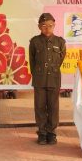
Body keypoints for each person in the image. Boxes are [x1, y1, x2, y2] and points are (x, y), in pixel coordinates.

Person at [29, 13, 66, 145]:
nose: (47, 28)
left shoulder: (60, 42)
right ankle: (42, 133)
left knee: (53, 106)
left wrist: (52, 70)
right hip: (39, 79)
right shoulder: (34, 42)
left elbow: (60, 59)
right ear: (39, 26)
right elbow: (32, 61)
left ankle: (52, 133)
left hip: (54, 78)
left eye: (50, 26)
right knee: (39, 106)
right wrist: (38, 73)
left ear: (54, 26)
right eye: (44, 26)